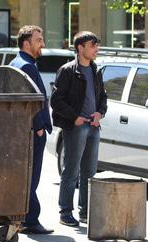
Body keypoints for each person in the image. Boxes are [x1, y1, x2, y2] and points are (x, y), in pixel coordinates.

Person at [51, 31, 107, 227]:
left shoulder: (95, 70)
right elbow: (56, 100)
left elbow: (103, 98)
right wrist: (74, 117)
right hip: (76, 127)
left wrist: (100, 113)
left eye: (96, 45)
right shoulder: (67, 71)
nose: (96, 49)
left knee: (90, 172)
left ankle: (85, 212)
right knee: (71, 170)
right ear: (80, 48)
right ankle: (65, 212)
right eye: (92, 45)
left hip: (93, 126)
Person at [10, 25, 53, 234]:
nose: (42, 44)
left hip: (22, 131)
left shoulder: (17, 62)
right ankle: (30, 219)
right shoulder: (27, 66)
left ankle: (22, 216)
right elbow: (31, 101)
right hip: (31, 131)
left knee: (25, 176)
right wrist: (38, 128)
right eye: (38, 40)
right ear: (26, 43)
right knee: (31, 177)